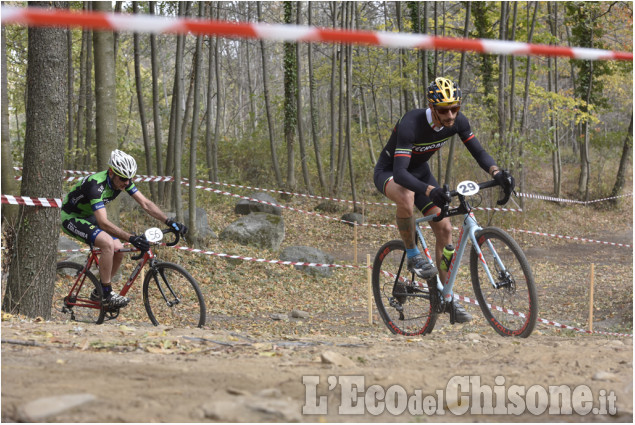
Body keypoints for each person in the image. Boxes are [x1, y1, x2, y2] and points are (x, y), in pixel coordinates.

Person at [373, 77, 514, 323]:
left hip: (420, 174)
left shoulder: (458, 122)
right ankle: (413, 252)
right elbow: (401, 173)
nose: (450, 115)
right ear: (432, 108)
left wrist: (496, 172)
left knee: (445, 228)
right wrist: (429, 190)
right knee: (406, 197)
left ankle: (444, 296)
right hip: (391, 172)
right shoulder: (411, 123)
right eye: (444, 110)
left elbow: (478, 151)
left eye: (455, 108)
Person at [61, 149, 188, 309]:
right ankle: (106, 294)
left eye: (130, 179)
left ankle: (98, 291)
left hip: (88, 215)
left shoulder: (122, 181)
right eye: (123, 178)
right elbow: (104, 222)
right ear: (111, 172)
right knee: (107, 243)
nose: (127, 183)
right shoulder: (95, 185)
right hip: (71, 217)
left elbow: (146, 204)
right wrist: (131, 237)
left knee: (119, 249)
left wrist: (169, 221)